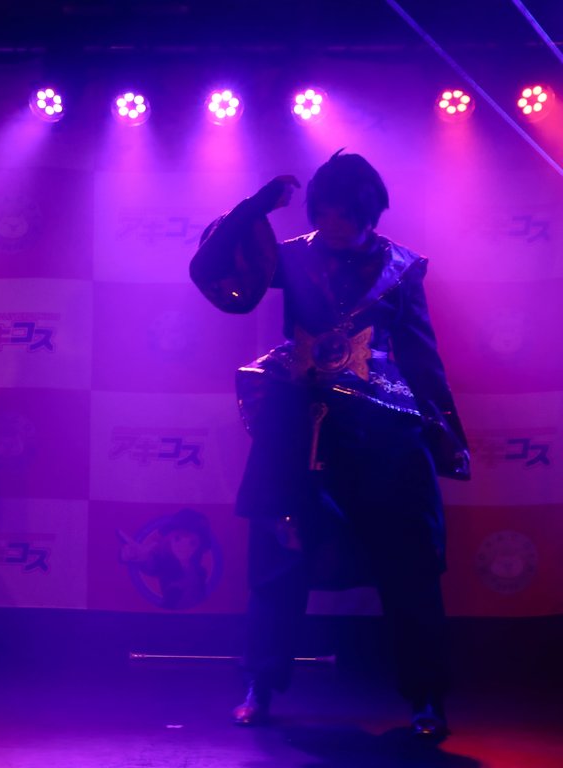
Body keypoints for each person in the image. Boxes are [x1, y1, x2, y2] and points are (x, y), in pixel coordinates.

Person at [189, 151, 469, 739]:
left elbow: (421, 355)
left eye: (346, 217)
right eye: (325, 215)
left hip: (387, 432)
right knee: (277, 559)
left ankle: (427, 696)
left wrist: (447, 432)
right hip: (300, 428)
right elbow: (212, 273)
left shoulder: (402, 268)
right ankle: (260, 684)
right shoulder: (290, 256)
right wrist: (253, 210)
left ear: (370, 213)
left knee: (411, 564)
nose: (334, 226)